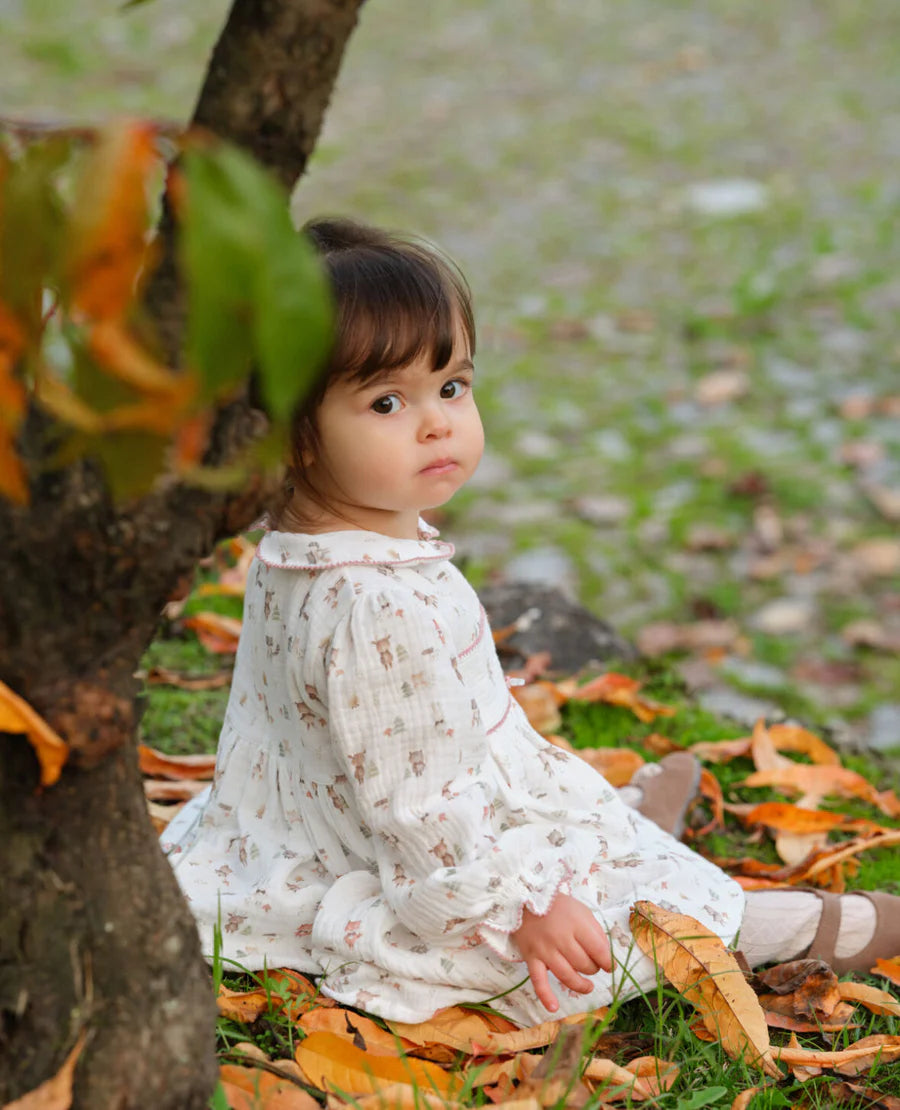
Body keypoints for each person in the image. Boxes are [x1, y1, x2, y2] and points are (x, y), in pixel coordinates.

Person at [163, 218, 900, 1026]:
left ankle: (614, 833)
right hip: (406, 861)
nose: (438, 422)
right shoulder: (374, 605)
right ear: (295, 438)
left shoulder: (307, 548)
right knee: (602, 933)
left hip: (323, 816)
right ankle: (779, 924)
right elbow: (420, 806)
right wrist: (522, 907)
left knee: (569, 817)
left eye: (451, 386)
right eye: (386, 402)